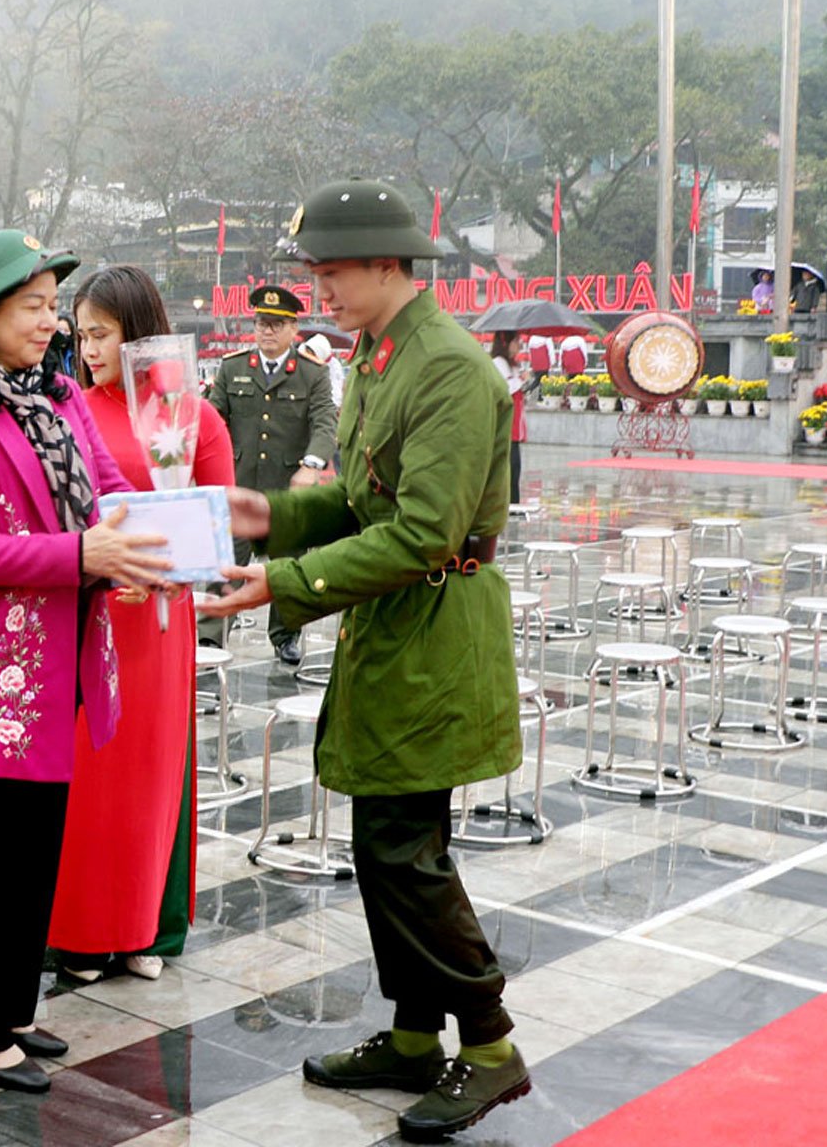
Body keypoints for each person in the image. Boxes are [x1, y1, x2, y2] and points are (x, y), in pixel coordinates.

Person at [210, 179, 528, 1143]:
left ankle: (488, 1047)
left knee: (406, 850)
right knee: (382, 843)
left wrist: (285, 581)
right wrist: (267, 514)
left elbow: (426, 533)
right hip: (391, 632)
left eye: (332, 271)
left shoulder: (449, 369)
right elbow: (361, 502)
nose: (320, 289)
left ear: (388, 264)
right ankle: (410, 1035)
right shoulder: (381, 355)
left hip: (433, 632)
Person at [0, 228, 170, 1097]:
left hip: (58, 663)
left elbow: (107, 490)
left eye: (55, 307)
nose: (52, 324)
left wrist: (146, 531)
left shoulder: (57, 400)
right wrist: (79, 558)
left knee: (30, 851)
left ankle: (11, 1005)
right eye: (34, 308)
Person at [49, 264, 235, 983]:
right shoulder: (68, 405)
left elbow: (221, 514)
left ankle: (144, 929)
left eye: (101, 332)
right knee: (91, 773)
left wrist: (178, 566)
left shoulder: (189, 413)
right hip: (93, 611)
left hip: (158, 618)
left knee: (151, 774)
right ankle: (80, 931)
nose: (88, 347)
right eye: (81, 333)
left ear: (138, 329)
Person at [207, 284, 337, 664]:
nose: (267, 331)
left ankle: (285, 635)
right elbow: (214, 418)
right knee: (226, 560)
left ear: (293, 330)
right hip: (241, 482)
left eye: (277, 325)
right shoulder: (233, 368)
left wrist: (312, 465)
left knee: (287, 565)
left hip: (287, 487)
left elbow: (325, 422)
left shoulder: (311, 374)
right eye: (262, 323)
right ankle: (212, 636)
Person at [490, 331, 529, 506]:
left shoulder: (512, 365)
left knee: (515, 470)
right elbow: (504, 389)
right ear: (506, 343)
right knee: (509, 469)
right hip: (505, 428)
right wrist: (521, 380)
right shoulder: (498, 363)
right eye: (516, 341)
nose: (519, 346)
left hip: (515, 428)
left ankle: (514, 504)